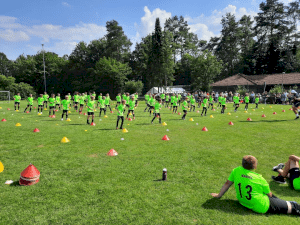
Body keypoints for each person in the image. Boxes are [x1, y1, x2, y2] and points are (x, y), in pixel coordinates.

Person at [210, 155, 300, 215]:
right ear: (255, 167)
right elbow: (269, 195)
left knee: (279, 201)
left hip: (243, 202)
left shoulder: (236, 170)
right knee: (293, 206)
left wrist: (219, 195)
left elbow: (227, 183)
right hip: (262, 206)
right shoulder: (259, 178)